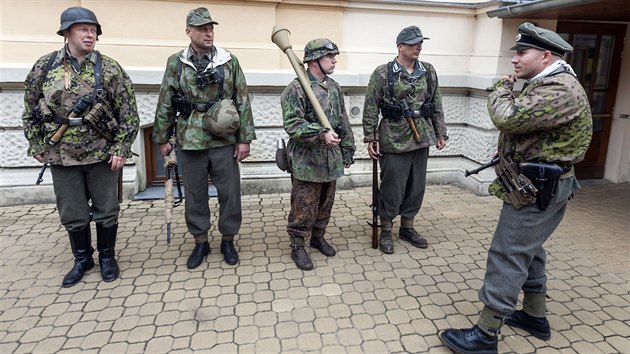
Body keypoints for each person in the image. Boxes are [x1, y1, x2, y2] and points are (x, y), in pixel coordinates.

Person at [439, 22, 592, 353]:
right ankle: (535, 316)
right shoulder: (548, 83)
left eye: (522, 52)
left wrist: (499, 89)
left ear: (546, 55)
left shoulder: (559, 89)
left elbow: (507, 117)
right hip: (536, 184)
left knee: (508, 253)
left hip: (538, 189)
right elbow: (533, 130)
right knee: (529, 249)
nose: (515, 60)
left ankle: (485, 334)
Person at [22, 7, 139, 287]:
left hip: (101, 152)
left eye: (94, 30)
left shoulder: (109, 68)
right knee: (72, 212)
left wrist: (121, 148)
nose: (90, 35)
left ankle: (107, 257)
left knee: (107, 209)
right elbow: (30, 109)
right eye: (83, 29)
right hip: (61, 154)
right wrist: (36, 143)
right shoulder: (45, 66)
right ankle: (82, 259)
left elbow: (129, 114)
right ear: (66, 33)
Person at [153, 7, 256, 269]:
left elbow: (242, 99)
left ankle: (228, 239)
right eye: (202, 29)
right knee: (195, 193)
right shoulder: (176, 63)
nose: (208, 33)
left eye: (210, 28)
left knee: (230, 192)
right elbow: (165, 100)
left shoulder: (228, 60)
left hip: (224, 138)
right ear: (189, 32)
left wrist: (245, 139)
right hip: (190, 138)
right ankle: (200, 241)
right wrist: (162, 138)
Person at [362, 26, 448, 254]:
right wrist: (371, 137)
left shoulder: (428, 71)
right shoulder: (383, 73)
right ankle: (387, 229)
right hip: (393, 137)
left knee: (416, 185)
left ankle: (407, 226)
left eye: (420, 43)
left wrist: (441, 133)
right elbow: (371, 106)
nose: (418, 47)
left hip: (422, 135)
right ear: (400, 46)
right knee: (393, 186)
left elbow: (436, 103)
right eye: (413, 43)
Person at [281, 38, 355, 270]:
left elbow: (342, 120)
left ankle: (318, 236)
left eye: (334, 56)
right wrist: (320, 132)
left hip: (330, 157)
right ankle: (297, 244)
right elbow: (293, 124)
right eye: (329, 57)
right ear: (314, 61)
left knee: (326, 201)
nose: (334, 61)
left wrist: (348, 150)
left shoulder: (333, 87)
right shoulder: (296, 88)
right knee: (304, 204)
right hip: (307, 159)